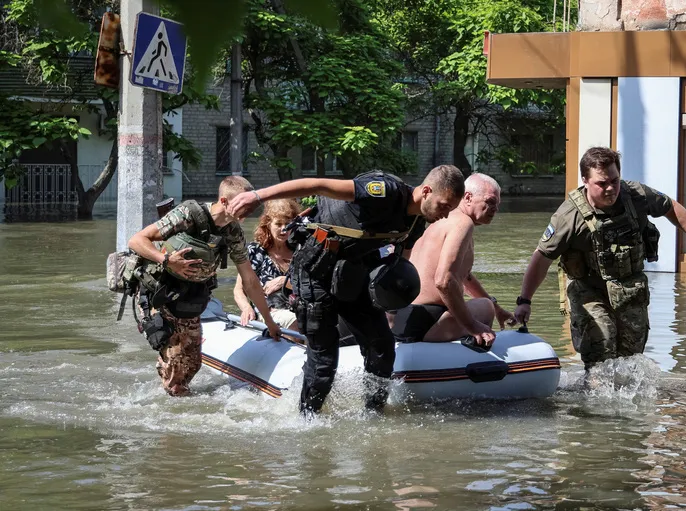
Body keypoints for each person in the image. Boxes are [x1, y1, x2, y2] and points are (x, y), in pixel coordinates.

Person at [227, 166, 465, 415]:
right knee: (324, 363)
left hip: (354, 274)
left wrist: (391, 301)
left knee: (382, 347)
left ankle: (373, 415)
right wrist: (257, 196)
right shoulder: (383, 192)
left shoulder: (416, 222)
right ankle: (306, 422)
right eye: (444, 205)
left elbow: (397, 264)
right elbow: (318, 184)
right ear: (426, 191)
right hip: (314, 272)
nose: (446, 215)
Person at [513, 147, 686, 370]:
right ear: (585, 180)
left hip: (629, 287)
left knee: (631, 359)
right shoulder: (569, 217)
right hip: (589, 290)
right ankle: (592, 398)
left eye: (615, 181)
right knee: (601, 346)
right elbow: (541, 258)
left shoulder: (636, 195)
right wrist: (525, 301)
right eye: (602, 183)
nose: (610, 188)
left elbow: (670, 207)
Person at [128, 176, 282, 396]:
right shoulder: (188, 214)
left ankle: (174, 397)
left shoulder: (232, 232)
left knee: (192, 364)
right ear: (225, 201)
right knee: (176, 367)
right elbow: (137, 240)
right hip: (159, 293)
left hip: (190, 296)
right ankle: (171, 418)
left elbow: (250, 280)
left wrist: (269, 322)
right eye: (243, 205)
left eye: (250, 206)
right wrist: (167, 260)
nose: (248, 212)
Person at [391, 173, 515, 348]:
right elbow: (444, 281)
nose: (495, 209)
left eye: (497, 204)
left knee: (488, 304)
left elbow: (464, 276)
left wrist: (498, 309)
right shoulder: (463, 224)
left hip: (403, 318)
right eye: (490, 201)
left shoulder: (439, 222)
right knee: (485, 307)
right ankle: (474, 349)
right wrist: (472, 325)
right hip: (427, 321)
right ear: (468, 197)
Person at [234, 199, 302, 330]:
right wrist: (246, 307)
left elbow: (311, 286)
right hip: (269, 312)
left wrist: (285, 281)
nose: (284, 229)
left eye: (288, 224)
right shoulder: (255, 251)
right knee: (295, 320)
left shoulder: (300, 251)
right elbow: (239, 290)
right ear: (268, 225)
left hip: (299, 307)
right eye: (278, 224)